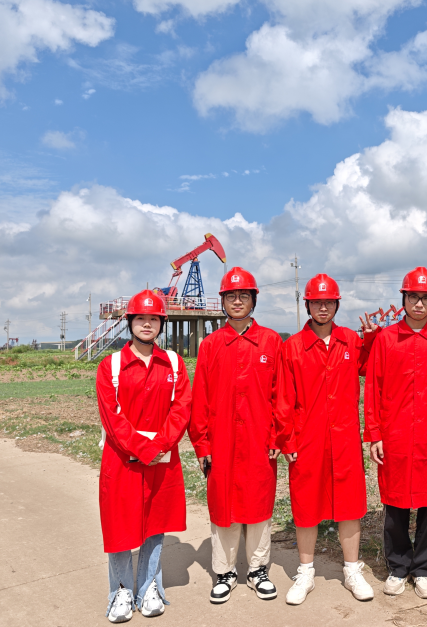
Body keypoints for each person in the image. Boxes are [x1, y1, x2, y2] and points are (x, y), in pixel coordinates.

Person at [274, 274, 379, 605]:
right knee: (306, 503)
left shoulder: (350, 340)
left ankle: (352, 570)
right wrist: (287, 440)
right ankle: (305, 572)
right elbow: (283, 399)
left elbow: (371, 368)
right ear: (307, 305)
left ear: (336, 305)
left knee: (350, 504)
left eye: (329, 302)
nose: (323, 307)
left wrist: (372, 340)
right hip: (307, 437)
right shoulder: (292, 347)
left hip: (345, 436)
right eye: (317, 302)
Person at [363, 267, 427, 599]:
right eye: (413, 296)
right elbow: (373, 389)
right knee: (394, 504)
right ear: (404, 299)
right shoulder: (386, 339)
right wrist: (374, 434)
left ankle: (422, 569)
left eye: (425, 298)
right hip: (394, 434)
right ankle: (397, 567)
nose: (419, 303)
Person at [95, 289, 191, 623]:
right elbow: (112, 417)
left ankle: (150, 586)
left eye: (153, 318)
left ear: (162, 323)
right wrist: (146, 449)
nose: (147, 324)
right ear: (130, 322)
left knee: (155, 524)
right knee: (120, 526)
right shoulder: (111, 366)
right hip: (122, 460)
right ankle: (121, 591)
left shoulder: (174, 364)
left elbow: (181, 409)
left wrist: (159, 447)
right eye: (140, 318)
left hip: (161, 460)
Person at [188, 267, 283, 604]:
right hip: (222, 439)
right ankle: (225, 571)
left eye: (244, 295)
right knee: (223, 505)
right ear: (223, 301)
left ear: (254, 300)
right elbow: (200, 398)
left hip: (259, 438)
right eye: (231, 296)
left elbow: (281, 395)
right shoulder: (211, 345)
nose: (238, 301)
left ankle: (258, 570)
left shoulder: (271, 341)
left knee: (259, 503)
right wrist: (202, 444)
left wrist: (277, 437)